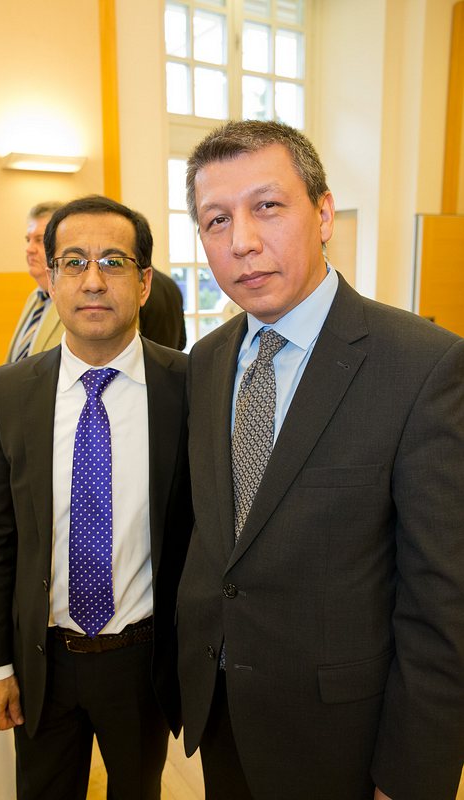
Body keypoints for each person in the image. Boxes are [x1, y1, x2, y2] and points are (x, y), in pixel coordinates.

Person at [176, 120, 464, 800]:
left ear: (324, 213)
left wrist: (411, 777)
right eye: (217, 220)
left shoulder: (422, 366)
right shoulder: (207, 360)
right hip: (221, 710)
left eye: (267, 206)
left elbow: (443, 603)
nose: (242, 241)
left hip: (342, 736)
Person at [0, 195, 192, 799]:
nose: (93, 281)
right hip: (43, 660)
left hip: (143, 660)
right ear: (51, 279)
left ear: (144, 283)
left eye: (114, 262)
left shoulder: (187, 387)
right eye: (73, 262)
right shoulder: (10, 392)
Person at [6, 201, 64, 362]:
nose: (29, 249)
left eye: (39, 240)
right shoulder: (35, 297)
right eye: (28, 240)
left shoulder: (75, 302)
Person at [139, 266, 186, 350]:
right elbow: (182, 342)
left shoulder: (140, 289)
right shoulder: (172, 285)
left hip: (145, 356)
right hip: (172, 356)